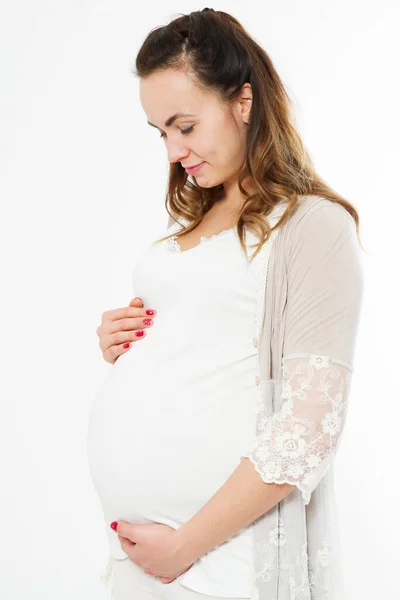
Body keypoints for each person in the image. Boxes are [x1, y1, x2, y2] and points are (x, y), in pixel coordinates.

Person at [87, 8, 364, 600]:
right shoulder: (187, 228)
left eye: (184, 126)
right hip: (143, 563)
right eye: (160, 131)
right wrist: (126, 347)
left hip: (221, 559)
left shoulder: (312, 227)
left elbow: (311, 426)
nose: (172, 152)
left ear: (243, 100)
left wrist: (185, 545)